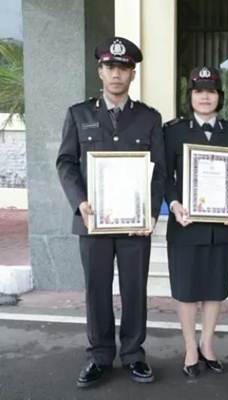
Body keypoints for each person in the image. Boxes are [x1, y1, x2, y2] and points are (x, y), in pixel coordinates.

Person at [56, 36, 166, 387]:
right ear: (100, 70)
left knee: (134, 288)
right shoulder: (79, 113)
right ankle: (100, 356)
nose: (116, 74)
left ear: (132, 74)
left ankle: (134, 354)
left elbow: (160, 170)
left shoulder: (149, 118)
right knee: (97, 289)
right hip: (93, 220)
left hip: (134, 223)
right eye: (109, 67)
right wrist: (80, 202)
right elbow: (66, 163)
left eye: (123, 68)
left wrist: (151, 212)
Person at [163, 66, 228, 378]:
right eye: (199, 91)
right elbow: (164, 176)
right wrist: (173, 203)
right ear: (191, 97)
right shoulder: (172, 131)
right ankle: (189, 347)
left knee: (214, 289)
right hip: (185, 224)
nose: (205, 97)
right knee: (186, 290)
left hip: (220, 227)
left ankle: (208, 345)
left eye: (211, 91)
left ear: (219, 97)